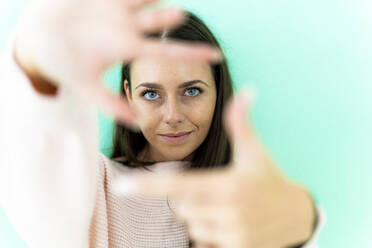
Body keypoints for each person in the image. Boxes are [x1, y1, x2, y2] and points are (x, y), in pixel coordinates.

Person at [0, 0, 324, 247]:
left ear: (218, 92)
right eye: (151, 93)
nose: (172, 115)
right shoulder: (91, 186)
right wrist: (35, 69)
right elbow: (35, 181)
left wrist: (303, 217)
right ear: (128, 94)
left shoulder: (241, 196)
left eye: (192, 90)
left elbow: (283, 222)